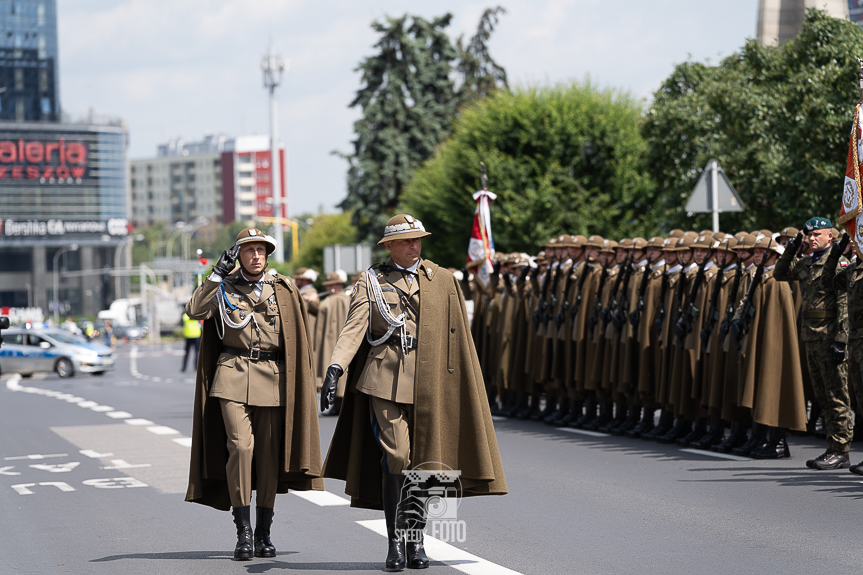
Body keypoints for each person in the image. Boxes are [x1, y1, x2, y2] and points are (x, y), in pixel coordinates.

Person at [320, 214, 507, 572]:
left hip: (431, 379)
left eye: (418, 240)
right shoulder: (372, 281)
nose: (414, 246)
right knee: (397, 457)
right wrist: (335, 367)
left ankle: (416, 540)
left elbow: (458, 338)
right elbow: (354, 328)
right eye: (406, 241)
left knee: (426, 463)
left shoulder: (443, 280)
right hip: (385, 379)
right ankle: (394, 543)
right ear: (388, 246)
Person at [184, 227, 323, 561]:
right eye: (249, 250)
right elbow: (194, 311)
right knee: (241, 448)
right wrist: (216, 274)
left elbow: (298, 337)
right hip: (232, 374)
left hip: (273, 379)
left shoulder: (284, 288)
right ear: (238, 254)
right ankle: (243, 532)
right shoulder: (224, 286)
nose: (256, 255)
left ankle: (264, 532)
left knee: (269, 457)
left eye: (261, 250)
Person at [774, 218, 852, 469]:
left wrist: (841, 339)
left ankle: (841, 449)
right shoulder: (807, 262)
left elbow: (843, 303)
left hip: (830, 336)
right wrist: (792, 248)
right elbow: (779, 273)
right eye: (808, 235)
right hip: (810, 336)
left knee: (836, 395)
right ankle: (832, 447)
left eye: (817, 234)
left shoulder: (839, 263)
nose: (811, 238)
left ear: (831, 236)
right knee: (821, 396)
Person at [315, 270, 351, 414]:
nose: (328, 288)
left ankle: (339, 404)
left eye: (330, 285)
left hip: (333, 341)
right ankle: (338, 404)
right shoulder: (348, 299)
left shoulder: (331, 301)